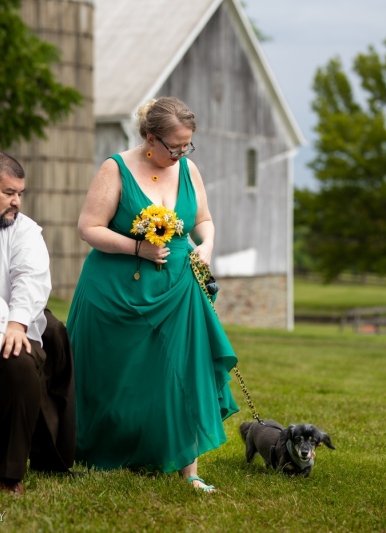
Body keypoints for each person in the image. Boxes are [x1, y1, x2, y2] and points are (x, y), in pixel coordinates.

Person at [67, 97, 238, 491]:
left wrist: (206, 246)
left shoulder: (188, 169)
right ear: (149, 137)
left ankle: (188, 470)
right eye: (173, 147)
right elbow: (88, 227)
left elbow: (204, 220)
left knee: (182, 370)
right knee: (113, 376)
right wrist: (137, 248)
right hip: (116, 288)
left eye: (186, 146)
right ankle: (95, 449)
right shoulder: (115, 169)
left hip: (179, 285)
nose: (180, 154)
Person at [0, 150, 76, 495]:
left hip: (7, 326)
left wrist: (15, 325)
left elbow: (30, 279)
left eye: (19, 194)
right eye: (8, 193)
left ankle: (10, 475)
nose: (17, 203)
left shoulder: (25, 231)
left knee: (17, 362)